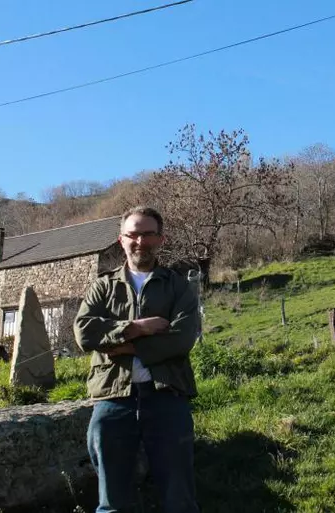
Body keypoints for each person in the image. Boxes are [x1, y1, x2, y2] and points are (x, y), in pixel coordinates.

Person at [74, 206, 200, 513]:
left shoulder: (178, 286)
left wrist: (124, 345)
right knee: (111, 497)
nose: (139, 241)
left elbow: (183, 338)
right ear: (121, 239)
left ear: (160, 239)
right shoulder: (104, 285)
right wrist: (136, 328)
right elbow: (84, 334)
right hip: (114, 396)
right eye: (132, 234)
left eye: (147, 234)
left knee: (178, 494)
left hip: (167, 393)